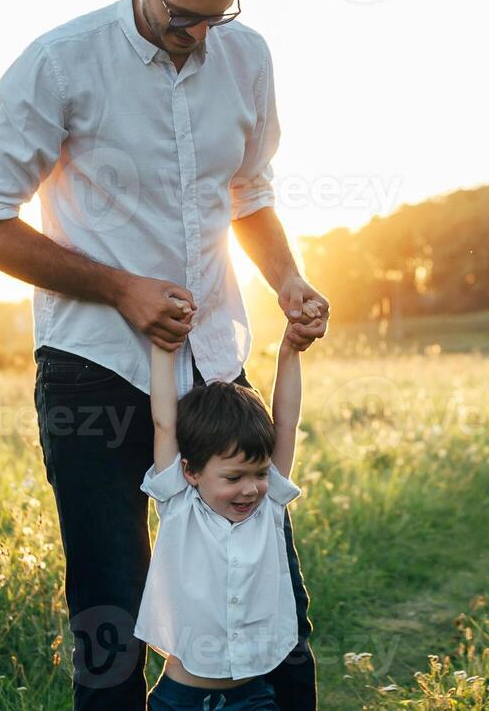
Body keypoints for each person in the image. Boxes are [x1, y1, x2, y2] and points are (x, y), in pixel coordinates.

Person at [0, 0, 329, 710]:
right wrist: (121, 289)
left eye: (215, 16)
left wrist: (286, 278)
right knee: (111, 616)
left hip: (217, 366)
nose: (196, 33)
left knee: (272, 590)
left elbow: (249, 191)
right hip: (93, 369)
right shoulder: (60, 63)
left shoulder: (245, 55)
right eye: (180, 13)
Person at [136, 300, 316, 710]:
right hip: (180, 698)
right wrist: (164, 349)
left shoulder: (268, 507)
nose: (250, 489)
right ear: (191, 471)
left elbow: (286, 422)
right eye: (233, 478)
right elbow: (164, 421)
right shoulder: (179, 504)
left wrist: (289, 351)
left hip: (253, 697)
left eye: (258, 473)